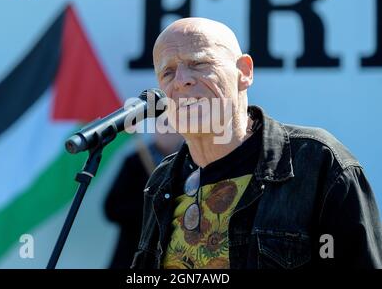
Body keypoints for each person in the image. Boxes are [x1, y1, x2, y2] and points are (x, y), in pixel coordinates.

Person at [130, 17, 382, 269]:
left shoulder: (319, 162)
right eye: (167, 72)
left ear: (244, 72)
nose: (181, 80)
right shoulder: (161, 181)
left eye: (198, 63)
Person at [104, 131, 182, 269]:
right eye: (162, 125)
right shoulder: (135, 162)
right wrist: (151, 206)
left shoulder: (192, 163)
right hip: (132, 254)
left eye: (172, 127)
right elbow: (112, 208)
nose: (167, 131)